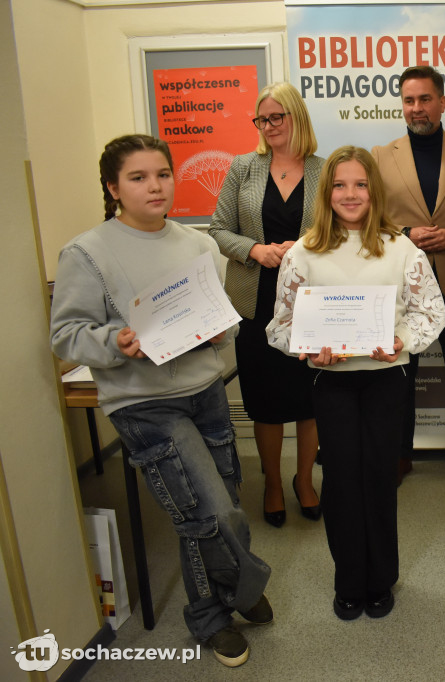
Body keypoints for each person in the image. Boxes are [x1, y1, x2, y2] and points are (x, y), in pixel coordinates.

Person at [50, 134, 271, 667]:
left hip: (206, 391)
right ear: (113, 188)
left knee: (226, 506)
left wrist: (222, 332)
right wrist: (115, 342)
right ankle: (220, 608)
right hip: (145, 403)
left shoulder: (196, 243)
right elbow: (66, 336)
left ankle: (227, 589)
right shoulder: (88, 252)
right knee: (207, 512)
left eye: (162, 174)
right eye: (138, 177)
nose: (155, 186)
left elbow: (221, 321)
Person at [266, 146, 445, 620]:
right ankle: (349, 580)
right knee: (342, 482)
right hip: (333, 383)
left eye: (360, 185)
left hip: (388, 378)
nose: (350, 194)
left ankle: (381, 578)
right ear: (327, 192)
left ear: (374, 190)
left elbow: (432, 312)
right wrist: (306, 346)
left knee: (380, 479)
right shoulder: (303, 253)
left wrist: (401, 339)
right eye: (340, 185)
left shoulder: (400, 248)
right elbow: (280, 325)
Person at [209, 82, 323, 527]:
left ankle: (304, 480)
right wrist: (256, 249)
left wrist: (307, 246)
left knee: (311, 398)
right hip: (255, 301)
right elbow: (218, 229)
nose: (270, 126)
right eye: (263, 119)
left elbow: (340, 227)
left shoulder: (325, 168)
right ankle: (273, 483)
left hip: (310, 303)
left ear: (297, 117)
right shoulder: (243, 168)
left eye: (279, 116)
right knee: (265, 400)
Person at [372, 65, 445, 485]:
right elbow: (368, 219)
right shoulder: (380, 157)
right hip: (406, 286)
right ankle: (400, 455)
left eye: (425, 99)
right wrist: (406, 233)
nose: (417, 108)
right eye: (409, 100)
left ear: (442, 102)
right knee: (401, 375)